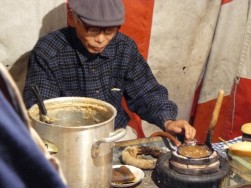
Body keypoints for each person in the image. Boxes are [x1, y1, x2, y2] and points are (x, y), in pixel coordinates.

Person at [23, 0, 196, 141]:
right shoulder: (48, 51)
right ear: (73, 19)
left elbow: (146, 92)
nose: (100, 40)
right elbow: (42, 110)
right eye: (92, 30)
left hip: (116, 134)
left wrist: (167, 121)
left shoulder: (124, 47)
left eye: (109, 31)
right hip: (66, 139)